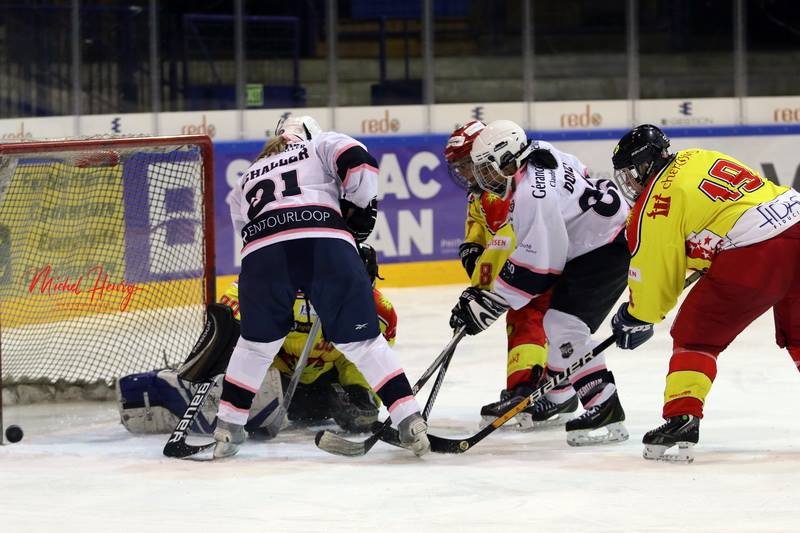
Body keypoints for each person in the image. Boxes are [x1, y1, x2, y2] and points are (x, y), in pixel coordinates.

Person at [213, 115, 429, 458]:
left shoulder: (247, 176)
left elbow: (245, 229)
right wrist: (357, 211)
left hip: (261, 254)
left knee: (254, 347)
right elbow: (360, 164)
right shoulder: (320, 143)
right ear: (310, 133)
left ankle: (227, 428)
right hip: (323, 243)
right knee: (365, 344)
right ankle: (409, 420)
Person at [610, 124, 800, 462]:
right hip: (794, 217)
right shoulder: (697, 156)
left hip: (759, 251)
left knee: (696, 335)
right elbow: (728, 211)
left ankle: (682, 416)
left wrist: (638, 315)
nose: (631, 182)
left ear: (644, 165)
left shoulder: (654, 202)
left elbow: (656, 272)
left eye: (631, 172)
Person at [449, 119, 631, 446]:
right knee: (555, 322)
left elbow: (538, 269)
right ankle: (559, 397)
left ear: (506, 160)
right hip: (601, 239)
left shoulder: (533, 195)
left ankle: (604, 405)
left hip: (604, 247)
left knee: (563, 324)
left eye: (488, 171)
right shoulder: (539, 151)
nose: (484, 181)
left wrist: (488, 303)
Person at [116, 243, 393, 436]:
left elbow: (361, 358)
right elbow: (227, 316)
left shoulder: (381, 314)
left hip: (316, 387)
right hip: (271, 375)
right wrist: (229, 331)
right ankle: (176, 389)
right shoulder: (285, 288)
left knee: (352, 416)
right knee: (260, 391)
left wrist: (359, 392)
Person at [445, 120, 578, 429]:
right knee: (529, 317)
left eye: (467, 164)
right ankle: (544, 388)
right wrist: (472, 249)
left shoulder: (514, 187)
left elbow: (513, 239)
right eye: (458, 166)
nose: (464, 173)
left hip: (553, 261)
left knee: (529, 314)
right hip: (531, 264)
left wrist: (482, 286)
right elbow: (478, 230)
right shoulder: (482, 193)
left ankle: (528, 389)